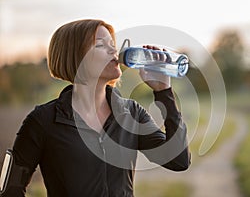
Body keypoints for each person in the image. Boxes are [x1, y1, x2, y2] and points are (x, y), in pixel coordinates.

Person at [0, 19, 191, 197]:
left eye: (112, 45)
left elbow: (179, 161)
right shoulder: (43, 121)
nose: (113, 52)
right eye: (100, 45)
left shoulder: (131, 113)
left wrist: (163, 91)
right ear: (75, 56)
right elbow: (9, 190)